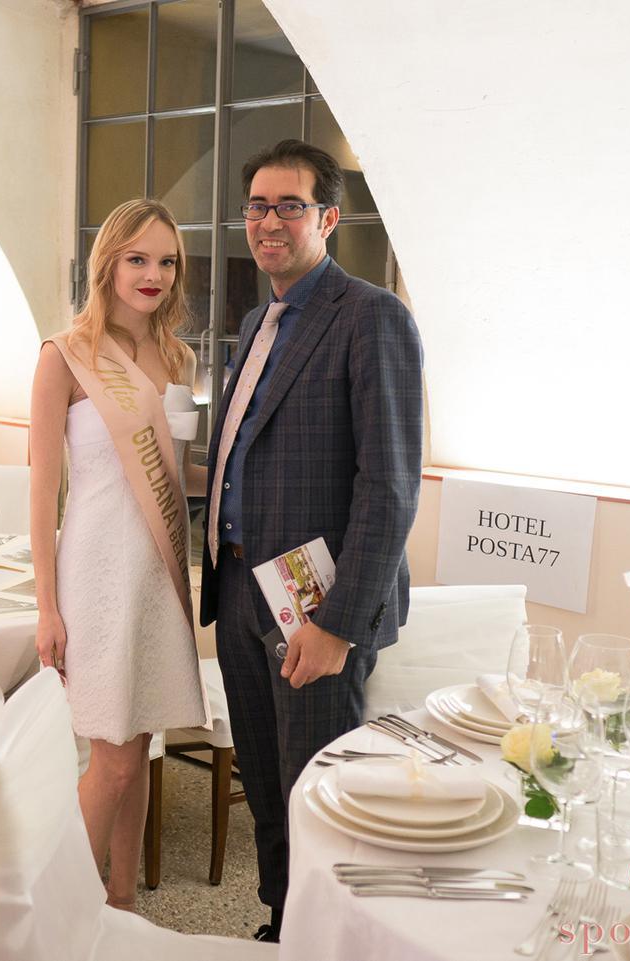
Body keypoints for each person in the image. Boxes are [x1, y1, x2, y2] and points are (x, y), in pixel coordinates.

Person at [198, 139, 424, 942]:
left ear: (328, 218)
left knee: (317, 791)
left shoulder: (371, 316)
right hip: (242, 589)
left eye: (289, 206)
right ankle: (282, 922)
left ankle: (329, 938)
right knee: (266, 782)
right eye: (257, 206)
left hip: (316, 606)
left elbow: (389, 487)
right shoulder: (258, 320)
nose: (269, 221)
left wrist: (337, 624)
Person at [31, 198, 209, 912]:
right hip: (96, 572)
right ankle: (55, 918)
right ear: (108, 263)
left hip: (158, 575)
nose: (153, 274)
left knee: (140, 750)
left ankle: (120, 903)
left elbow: (179, 476)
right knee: (111, 759)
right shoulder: (64, 356)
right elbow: (43, 493)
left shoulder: (178, 357)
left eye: (166, 261)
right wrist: (46, 607)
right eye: (137, 258)